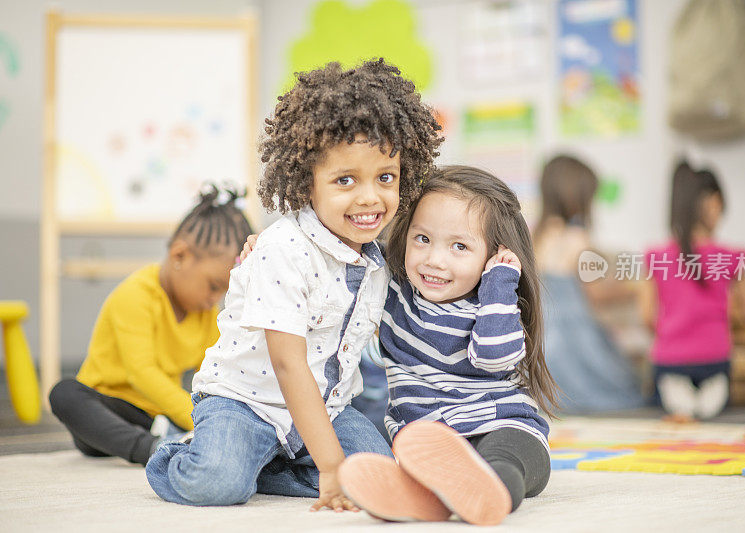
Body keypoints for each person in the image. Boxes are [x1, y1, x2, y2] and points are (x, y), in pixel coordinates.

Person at [145, 59, 443, 511]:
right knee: (218, 484)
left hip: (326, 412)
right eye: (345, 180)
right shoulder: (282, 249)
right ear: (307, 184)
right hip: (246, 403)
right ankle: (178, 452)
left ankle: (263, 468)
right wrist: (329, 466)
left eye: (385, 177)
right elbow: (288, 365)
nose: (369, 197)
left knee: (378, 476)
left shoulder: (378, 259)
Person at [337, 166, 557, 526]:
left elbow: (493, 355)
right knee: (416, 465)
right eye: (422, 239)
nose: (435, 260)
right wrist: (270, 248)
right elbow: (331, 258)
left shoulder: (492, 306)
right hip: (430, 443)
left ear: (493, 255)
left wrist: (499, 281)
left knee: (503, 463)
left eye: (459, 247)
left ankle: (486, 492)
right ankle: (429, 496)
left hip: (502, 426)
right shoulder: (391, 291)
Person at [49, 186, 253, 466]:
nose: (214, 300)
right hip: (107, 413)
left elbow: (215, 373)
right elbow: (141, 373)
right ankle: (150, 449)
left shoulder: (205, 314)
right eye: (214, 286)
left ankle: (172, 439)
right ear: (179, 256)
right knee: (64, 393)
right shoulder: (135, 295)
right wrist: (197, 418)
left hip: (156, 417)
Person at [641, 161, 745, 421]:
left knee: (676, 413)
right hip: (714, 363)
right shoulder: (729, 257)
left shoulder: (657, 257)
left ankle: (683, 409)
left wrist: (673, 339)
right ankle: (701, 407)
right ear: (714, 203)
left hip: (669, 364)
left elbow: (647, 316)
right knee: (713, 416)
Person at [533, 154, 644, 412]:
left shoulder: (534, 236)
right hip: (575, 343)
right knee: (619, 388)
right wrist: (635, 287)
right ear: (577, 197)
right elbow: (596, 293)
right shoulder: (577, 239)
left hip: (543, 342)